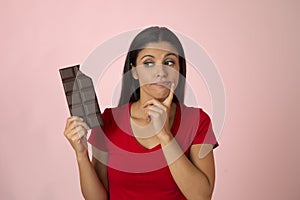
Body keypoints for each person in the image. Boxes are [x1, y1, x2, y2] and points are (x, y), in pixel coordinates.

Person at [64, 26, 218, 200]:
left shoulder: (197, 121)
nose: (160, 72)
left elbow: (201, 197)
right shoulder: (109, 121)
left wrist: (165, 136)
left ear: (179, 71)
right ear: (134, 71)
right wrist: (81, 154)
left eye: (169, 62)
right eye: (148, 63)